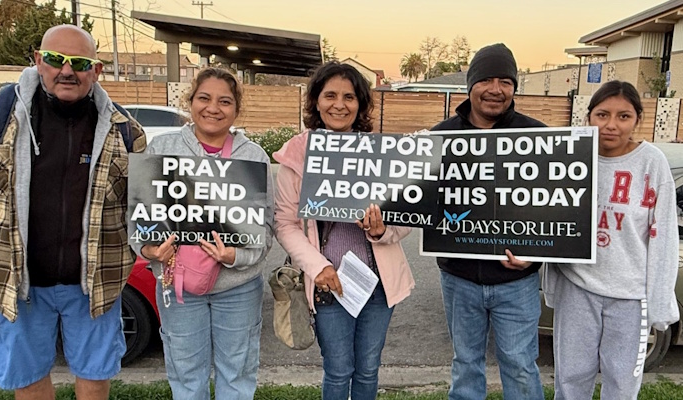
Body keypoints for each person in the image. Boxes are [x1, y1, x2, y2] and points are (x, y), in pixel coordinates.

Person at [0, 25, 145, 399]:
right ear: (37, 60)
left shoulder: (125, 131)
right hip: (18, 283)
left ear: (97, 70)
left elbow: (140, 210)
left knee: (95, 376)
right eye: (54, 59)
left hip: (94, 285)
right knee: (28, 378)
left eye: (79, 63)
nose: (67, 70)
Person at [273, 61, 415, 400]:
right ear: (316, 101)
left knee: (368, 369)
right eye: (330, 95)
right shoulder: (296, 154)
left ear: (360, 104)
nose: (339, 105)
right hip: (329, 283)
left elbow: (406, 219)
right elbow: (285, 223)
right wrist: (317, 266)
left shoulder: (381, 153)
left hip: (378, 285)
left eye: (349, 97)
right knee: (338, 371)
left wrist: (382, 230)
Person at [131, 67, 274, 400]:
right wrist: (149, 250)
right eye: (204, 98)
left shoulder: (252, 156)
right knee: (186, 377)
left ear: (236, 109)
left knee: (237, 376)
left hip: (238, 287)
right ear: (190, 101)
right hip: (177, 285)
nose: (213, 108)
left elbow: (266, 226)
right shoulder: (162, 148)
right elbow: (141, 214)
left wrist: (237, 255)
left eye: (224, 101)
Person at [544, 80, 679, 399]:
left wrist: (659, 300)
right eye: (602, 114)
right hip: (577, 286)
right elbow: (548, 218)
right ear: (589, 116)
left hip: (630, 294)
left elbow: (664, 236)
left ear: (637, 120)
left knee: (622, 383)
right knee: (571, 378)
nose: (611, 125)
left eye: (623, 116)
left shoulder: (652, 163)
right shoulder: (570, 156)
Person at [429, 43, 546, 400]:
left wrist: (535, 256)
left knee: (521, 365)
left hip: (517, 281)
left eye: (505, 81)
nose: (496, 89)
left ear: (514, 88)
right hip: (459, 278)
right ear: (470, 85)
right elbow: (421, 204)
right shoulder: (439, 137)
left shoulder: (539, 138)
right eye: (486, 80)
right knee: (465, 364)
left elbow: (557, 210)